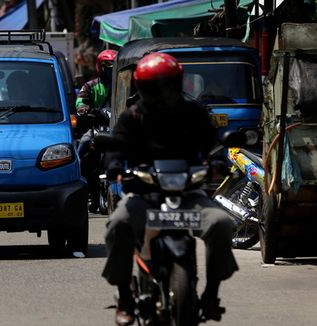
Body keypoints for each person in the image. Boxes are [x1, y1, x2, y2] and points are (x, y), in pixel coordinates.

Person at [101, 52, 238, 326]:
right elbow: (116, 147)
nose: (161, 94)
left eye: (165, 86)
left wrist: (218, 163)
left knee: (221, 223)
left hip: (188, 194)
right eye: (154, 88)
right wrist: (115, 168)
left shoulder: (194, 112)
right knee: (118, 224)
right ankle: (125, 295)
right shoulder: (132, 116)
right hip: (144, 192)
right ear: (142, 88)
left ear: (176, 84)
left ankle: (212, 294)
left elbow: (213, 143)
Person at [75, 49, 117, 213]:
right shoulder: (91, 85)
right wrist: (84, 108)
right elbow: (80, 100)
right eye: (108, 65)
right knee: (83, 144)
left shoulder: (124, 83)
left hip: (116, 127)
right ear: (101, 66)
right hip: (96, 128)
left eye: (114, 65)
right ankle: (76, 175)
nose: (111, 69)